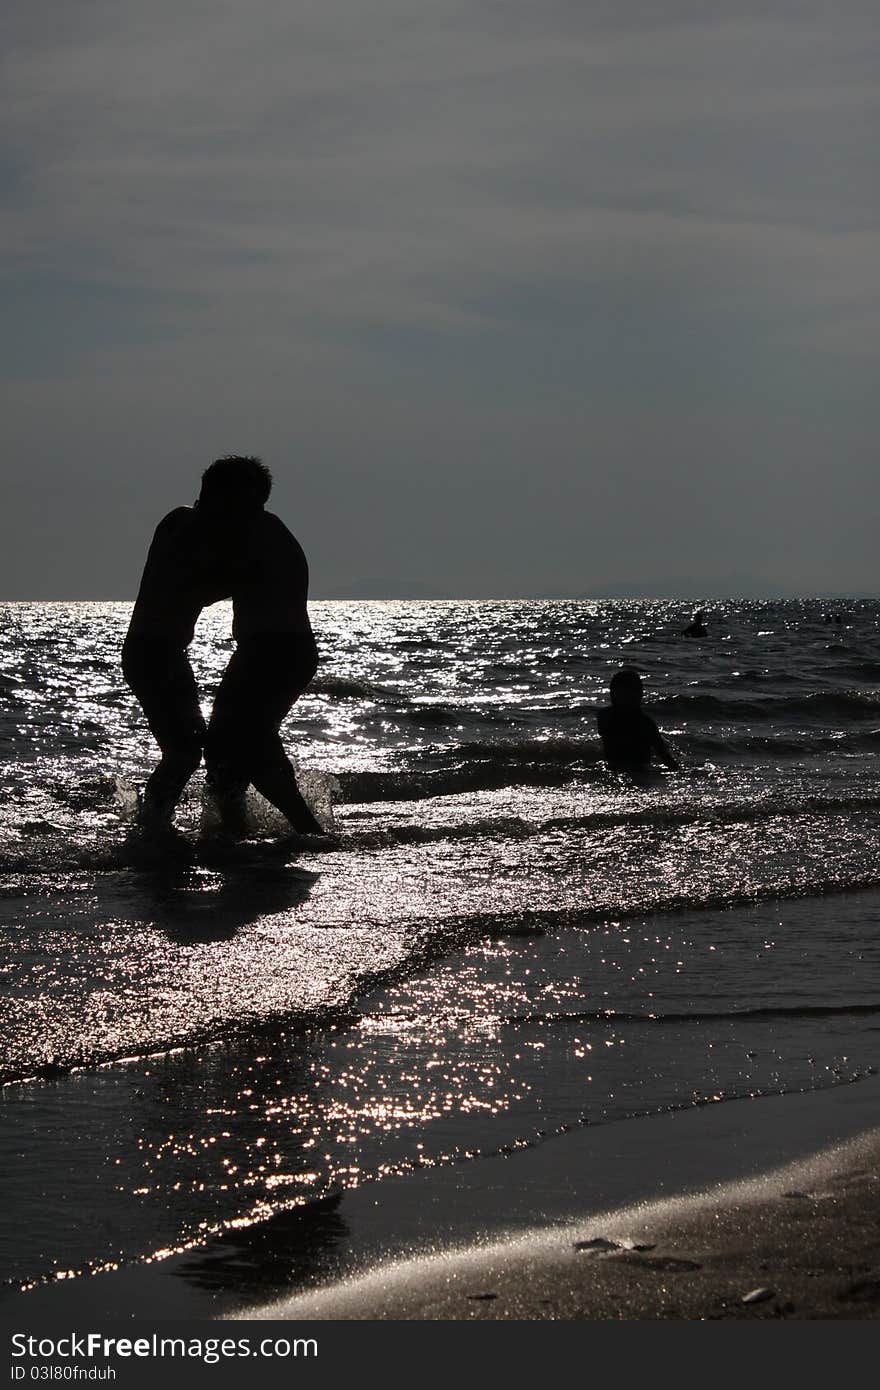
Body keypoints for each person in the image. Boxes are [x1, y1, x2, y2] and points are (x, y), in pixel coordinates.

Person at [123, 455, 323, 836]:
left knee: (235, 746)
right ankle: (220, 830)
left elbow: (222, 582)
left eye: (244, 508)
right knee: (214, 751)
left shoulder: (258, 536)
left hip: (279, 653)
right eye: (225, 505)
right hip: (175, 653)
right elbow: (195, 580)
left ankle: (294, 829)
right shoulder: (186, 526)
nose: (234, 516)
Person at [200, 458, 324, 837]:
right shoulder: (258, 529)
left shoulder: (258, 533)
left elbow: (213, 586)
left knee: (248, 740)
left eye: (212, 494)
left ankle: (306, 830)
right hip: (269, 649)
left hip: (277, 651)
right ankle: (233, 828)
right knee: (225, 745)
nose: (204, 504)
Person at [596, 668, 679, 773]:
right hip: (640, 772)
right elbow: (665, 757)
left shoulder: (604, 715)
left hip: (613, 769)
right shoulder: (645, 723)